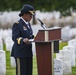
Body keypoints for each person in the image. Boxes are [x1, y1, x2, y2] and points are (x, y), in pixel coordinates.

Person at [11, 4, 35, 75]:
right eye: (30, 15)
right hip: (20, 53)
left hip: (28, 53)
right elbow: (15, 37)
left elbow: (29, 36)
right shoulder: (17, 24)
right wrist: (23, 40)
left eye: (32, 15)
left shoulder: (28, 24)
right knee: (21, 73)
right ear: (24, 14)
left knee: (28, 73)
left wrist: (37, 37)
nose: (31, 17)